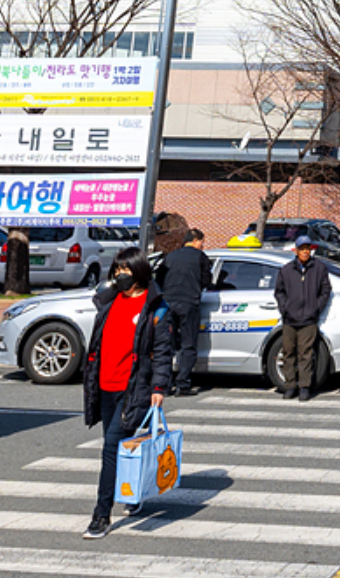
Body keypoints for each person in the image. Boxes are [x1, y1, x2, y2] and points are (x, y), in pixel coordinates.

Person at [80, 248, 173, 540]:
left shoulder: (155, 307)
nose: (120, 275)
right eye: (117, 270)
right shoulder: (109, 302)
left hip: (133, 388)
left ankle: (101, 514)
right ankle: (131, 493)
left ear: (140, 272)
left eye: (126, 270)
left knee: (110, 447)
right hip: (104, 385)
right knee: (121, 445)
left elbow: (161, 352)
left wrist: (159, 387)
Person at [272, 235, 332, 400]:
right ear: (296, 251)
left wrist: (316, 307)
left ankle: (305, 387)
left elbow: (326, 290)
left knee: (305, 354)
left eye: (308, 249)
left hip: (309, 319)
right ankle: (290, 386)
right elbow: (279, 292)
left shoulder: (319, 268)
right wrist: (284, 308)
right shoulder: (286, 270)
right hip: (290, 319)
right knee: (288, 353)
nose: (305, 252)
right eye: (302, 249)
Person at [157, 228, 212, 397]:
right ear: (195, 240)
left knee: (167, 345)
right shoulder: (200, 257)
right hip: (189, 304)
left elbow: (159, 279)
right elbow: (207, 281)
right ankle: (183, 384)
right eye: (202, 242)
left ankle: (164, 386)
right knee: (188, 345)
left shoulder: (170, 256)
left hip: (168, 303)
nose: (203, 245)